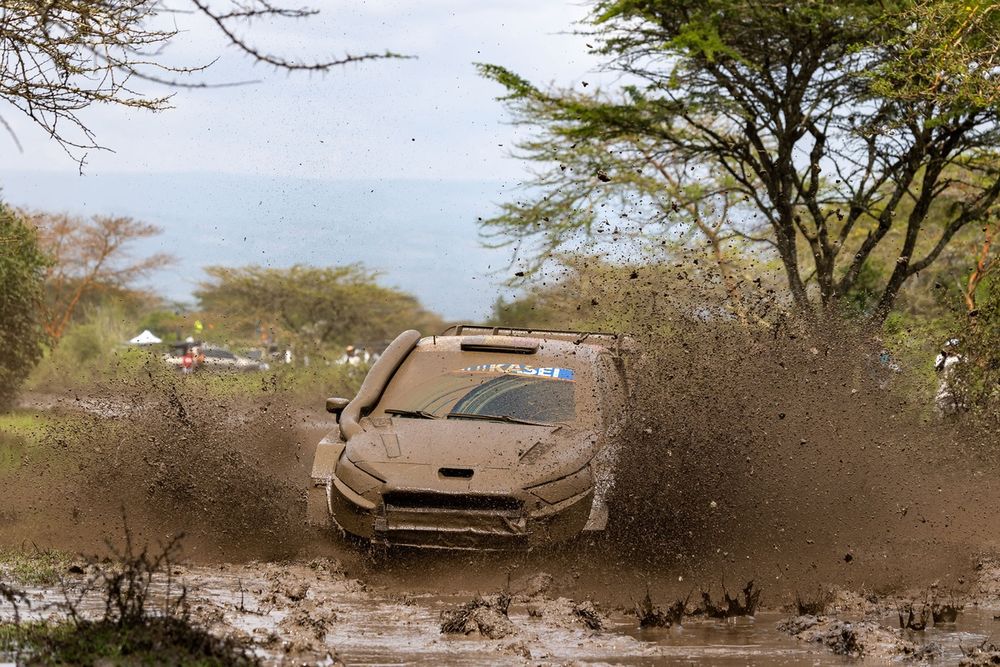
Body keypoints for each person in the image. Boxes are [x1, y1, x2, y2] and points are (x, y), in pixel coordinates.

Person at [934, 338, 964, 416]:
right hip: (945, 389)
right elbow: (937, 369)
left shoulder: (961, 357)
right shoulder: (941, 357)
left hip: (960, 389)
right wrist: (945, 357)